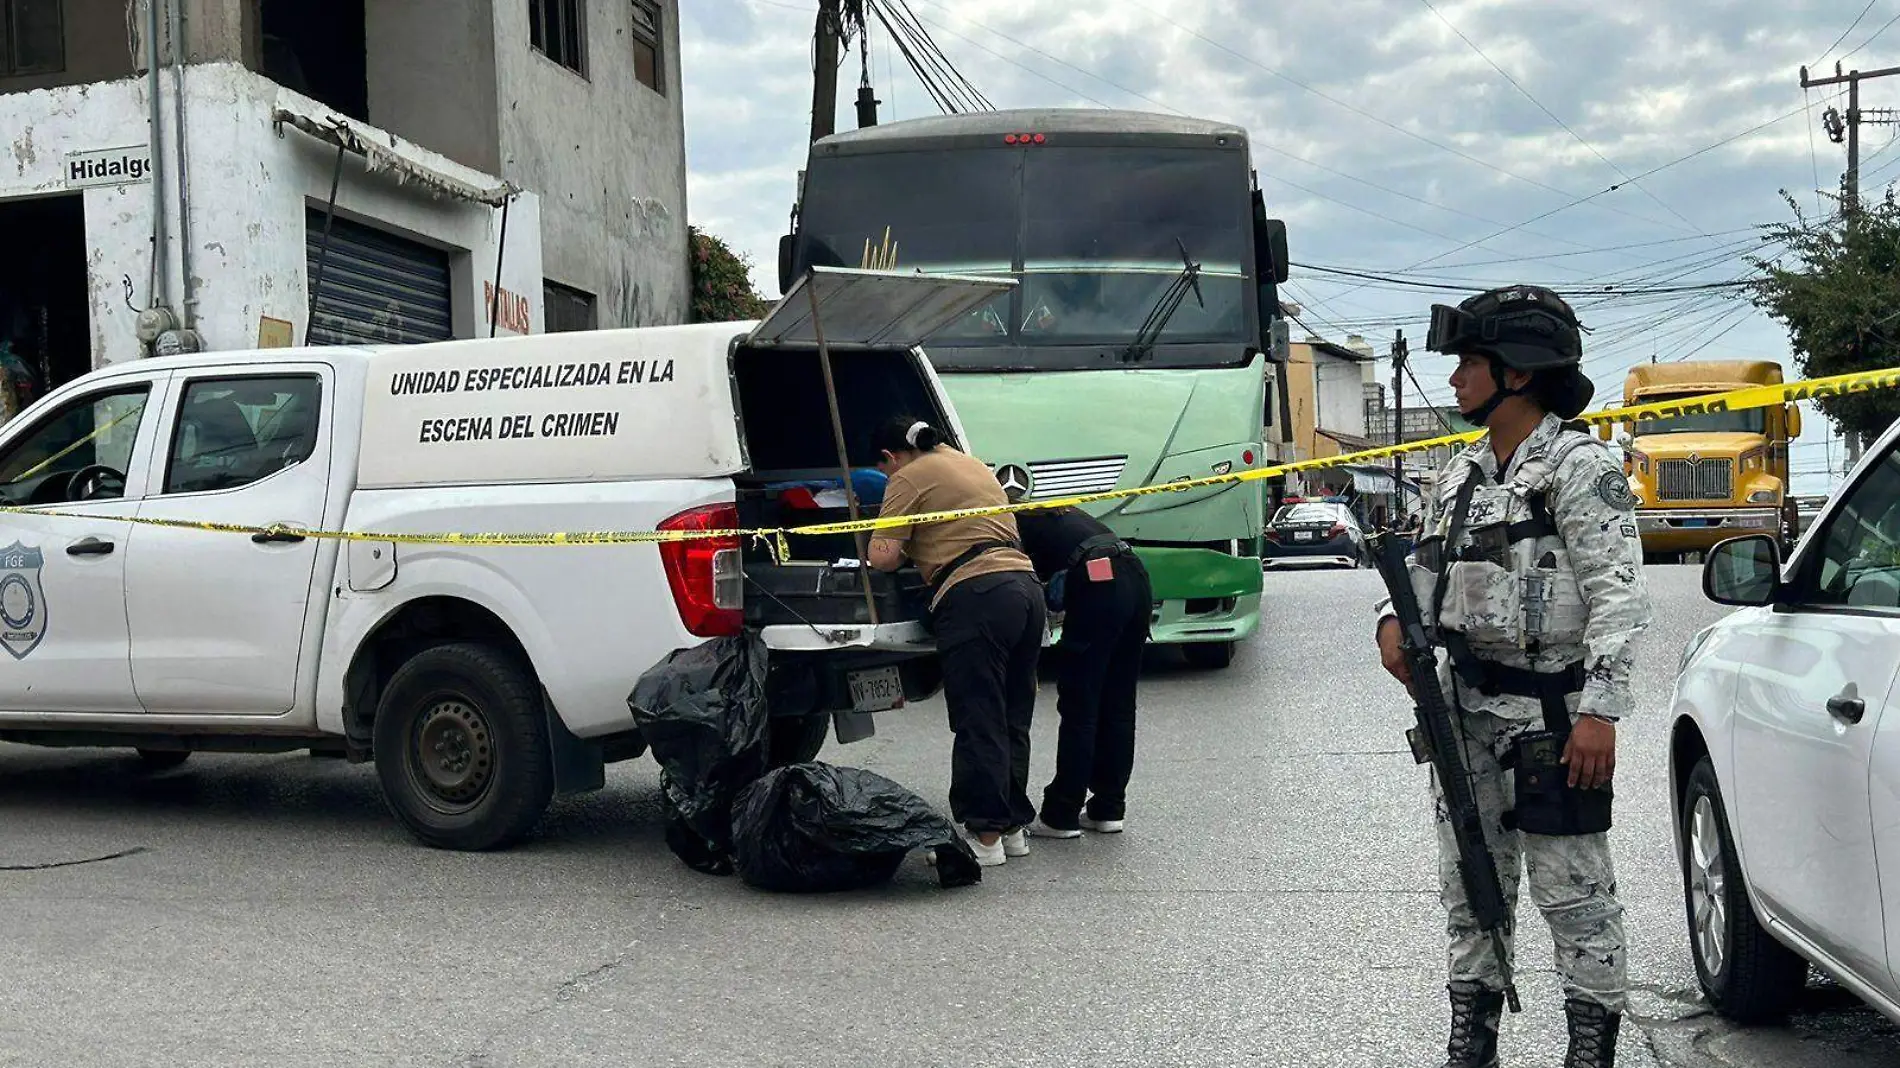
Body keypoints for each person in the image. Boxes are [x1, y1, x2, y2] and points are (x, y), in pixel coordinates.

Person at [1372, 285, 1651, 1068]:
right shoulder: (1458, 476)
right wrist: (1390, 620)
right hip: (1463, 716)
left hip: (1554, 722)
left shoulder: (1579, 466)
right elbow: (1424, 570)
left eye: (1470, 362)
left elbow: (1619, 600)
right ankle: (1473, 1040)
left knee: (1576, 898)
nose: (1457, 379)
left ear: (1519, 373)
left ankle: (1589, 1049)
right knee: (1470, 887)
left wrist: (1600, 711)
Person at [866, 416, 1045, 868]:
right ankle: (1011, 828)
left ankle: (984, 836)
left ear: (890, 457)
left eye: (883, 468)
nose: (887, 476)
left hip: (975, 594)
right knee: (1011, 712)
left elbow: (882, 557)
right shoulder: (972, 464)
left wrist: (896, 539)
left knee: (978, 714)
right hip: (1024, 588)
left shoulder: (907, 476)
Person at [1007, 500, 1152, 839]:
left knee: (1080, 705)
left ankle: (1062, 812)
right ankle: (1108, 807)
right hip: (1134, 575)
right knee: (1118, 703)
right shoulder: (1059, 513)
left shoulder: (1009, 524)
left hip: (1098, 580)